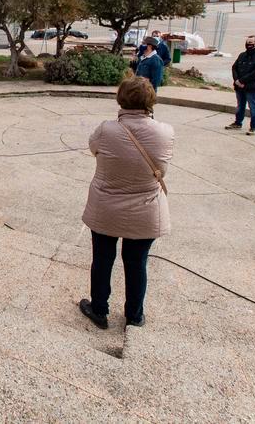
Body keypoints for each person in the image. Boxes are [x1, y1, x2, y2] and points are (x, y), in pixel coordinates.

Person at [79, 76, 173, 329]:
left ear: (121, 98)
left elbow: (93, 149)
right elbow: (163, 165)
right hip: (146, 207)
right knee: (137, 262)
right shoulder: (165, 132)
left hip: (106, 206)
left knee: (102, 259)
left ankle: (99, 308)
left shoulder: (106, 129)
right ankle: (134, 314)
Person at [225, 35, 255, 135]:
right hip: (239, 86)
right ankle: (238, 123)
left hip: (251, 87)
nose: (248, 45)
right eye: (247, 42)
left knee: (253, 106)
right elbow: (234, 67)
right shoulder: (242, 55)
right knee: (240, 105)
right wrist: (236, 80)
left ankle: (254, 127)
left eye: (251, 43)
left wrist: (242, 81)